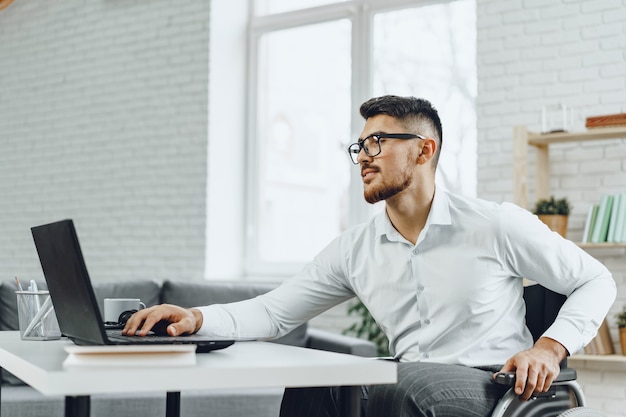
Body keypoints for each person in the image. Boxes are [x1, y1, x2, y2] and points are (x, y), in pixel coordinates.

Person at [123, 95, 616, 417]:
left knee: (398, 385)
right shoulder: (355, 249)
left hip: (491, 384)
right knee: (314, 385)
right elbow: (273, 312)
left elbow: (597, 280)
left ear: (424, 151)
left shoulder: (493, 224)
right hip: (405, 381)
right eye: (360, 145)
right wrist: (194, 317)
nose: (364, 155)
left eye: (378, 142)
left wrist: (548, 348)